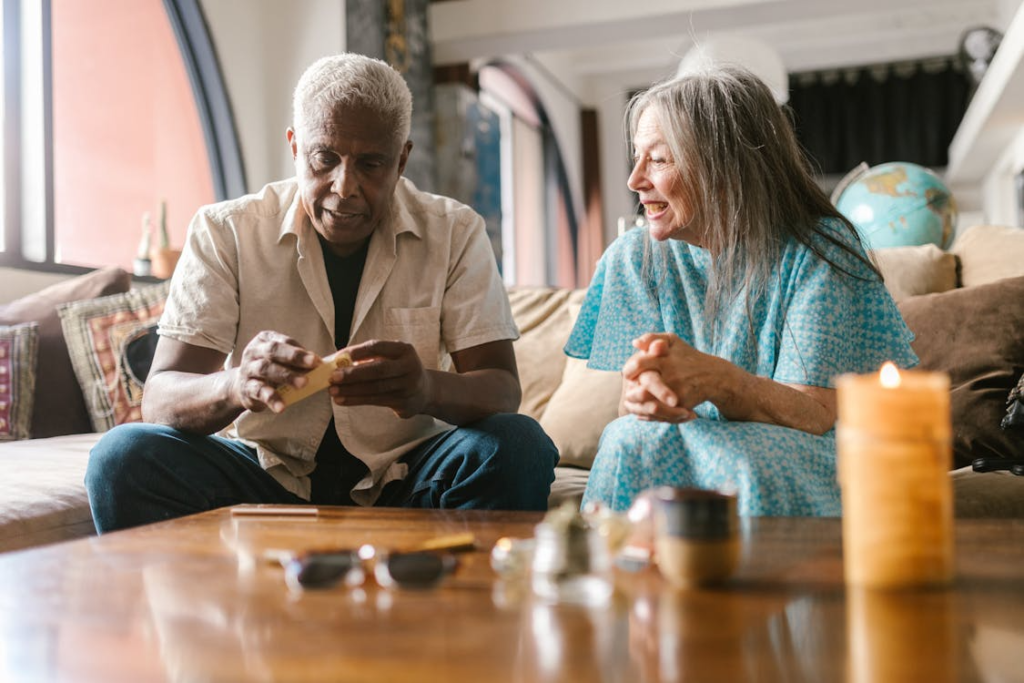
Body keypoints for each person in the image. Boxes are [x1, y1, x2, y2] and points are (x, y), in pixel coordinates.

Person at [85, 54, 558, 533]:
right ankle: (201, 605)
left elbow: (501, 386)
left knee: (518, 445)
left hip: (410, 479)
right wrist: (236, 384)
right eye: (324, 158)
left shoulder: (455, 232)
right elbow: (162, 395)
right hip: (264, 476)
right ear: (294, 147)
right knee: (122, 458)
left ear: (402, 159)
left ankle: (456, 606)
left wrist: (428, 389)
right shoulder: (226, 231)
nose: (344, 187)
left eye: (371, 164)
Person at [567, 64, 917, 516]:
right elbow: (629, 411)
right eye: (636, 157)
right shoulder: (632, 259)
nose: (635, 180)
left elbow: (815, 415)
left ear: (724, 165)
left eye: (657, 159)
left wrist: (720, 380)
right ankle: (617, 580)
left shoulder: (819, 249)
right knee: (628, 438)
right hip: (692, 437)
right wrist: (642, 396)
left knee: (744, 461)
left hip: (800, 446)